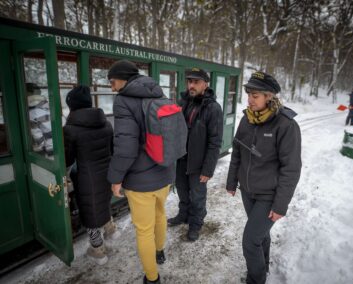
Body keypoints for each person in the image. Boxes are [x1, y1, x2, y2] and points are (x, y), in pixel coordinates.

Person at [226, 71, 302, 284]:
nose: (249, 100)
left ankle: (256, 279)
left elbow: (291, 168)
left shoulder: (285, 125)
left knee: (250, 241)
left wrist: (280, 205)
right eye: (249, 94)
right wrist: (232, 182)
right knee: (260, 236)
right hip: (248, 192)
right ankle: (264, 267)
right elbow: (238, 152)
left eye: (255, 95)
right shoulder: (246, 119)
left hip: (269, 195)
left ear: (270, 97)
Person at [107, 60, 174, 284]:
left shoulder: (123, 101)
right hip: (164, 171)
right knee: (160, 214)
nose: (111, 87)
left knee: (144, 230)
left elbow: (126, 148)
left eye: (112, 81)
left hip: (139, 179)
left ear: (123, 79)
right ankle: (159, 251)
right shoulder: (159, 94)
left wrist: (115, 178)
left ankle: (152, 278)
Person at [63, 85, 119, 266]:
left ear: (73, 106)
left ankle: (98, 250)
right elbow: (112, 150)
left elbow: (67, 159)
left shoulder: (70, 130)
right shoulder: (106, 123)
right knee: (102, 202)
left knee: (89, 211)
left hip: (86, 178)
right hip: (107, 174)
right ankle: (110, 229)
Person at [167, 68, 223, 242]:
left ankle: (196, 224)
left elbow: (215, 141)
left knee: (197, 196)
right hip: (182, 159)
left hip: (198, 163)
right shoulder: (184, 102)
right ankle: (183, 215)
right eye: (189, 81)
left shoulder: (213, 108)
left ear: (205, 84)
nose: (191, 85)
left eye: (196, 82)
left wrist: (208, 169)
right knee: (183, 191)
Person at [26, 83, 53, 157]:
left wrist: (42, 148)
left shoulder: (31, 113)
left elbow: (36, 135)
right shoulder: (47, 107)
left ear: (28, 93)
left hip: (49, 149)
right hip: (58, 145)